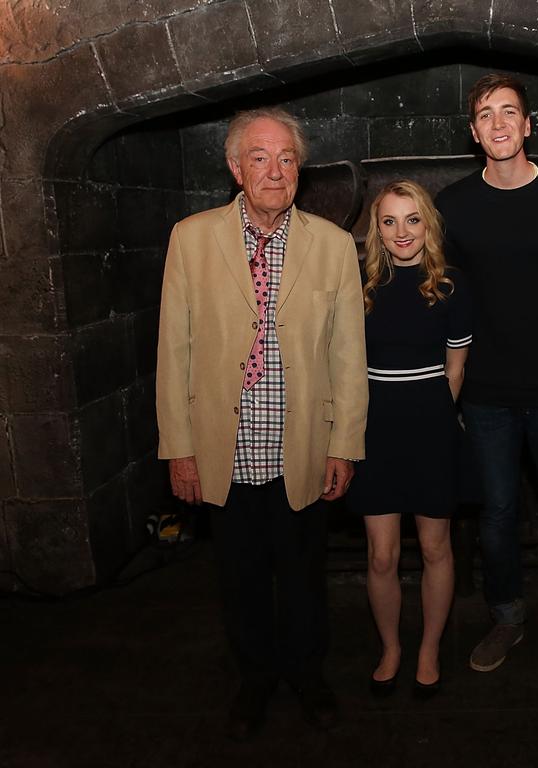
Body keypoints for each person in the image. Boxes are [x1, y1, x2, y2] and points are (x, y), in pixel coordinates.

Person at [155, 107, 368, 740]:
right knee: (240, 576)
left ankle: (307, 675)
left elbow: (347, 355)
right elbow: (173, 352)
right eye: (259, 157)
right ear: (234, 167)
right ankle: (254, 679)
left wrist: (346, 445)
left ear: (299, 170)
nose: (274, 171)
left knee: (304, 575)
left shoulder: (331, 246)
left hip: (301, 445)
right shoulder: (191, 239)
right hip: (225, 447)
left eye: (287, 159)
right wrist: (179, 450)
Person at [435, 74, 538, 685]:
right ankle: (506, 618)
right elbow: (449, 299)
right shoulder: (452, 206)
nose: (498, 123)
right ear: (474, 132)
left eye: (510, 113)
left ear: (528, 125)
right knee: (496, 515)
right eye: (485, 115)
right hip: (486, 394)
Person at [346, 180, 471, 699]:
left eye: (412, 219)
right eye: (390, 221)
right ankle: (392, 646)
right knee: (381, 555)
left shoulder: (451, 285)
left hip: (431, 427)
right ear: (377, 228)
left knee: (436, 547)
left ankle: (429, 648)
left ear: (428, 225)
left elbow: (455, 371)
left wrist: (437, 420)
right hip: (374, 429)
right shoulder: (359, 286)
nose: (402, 231)